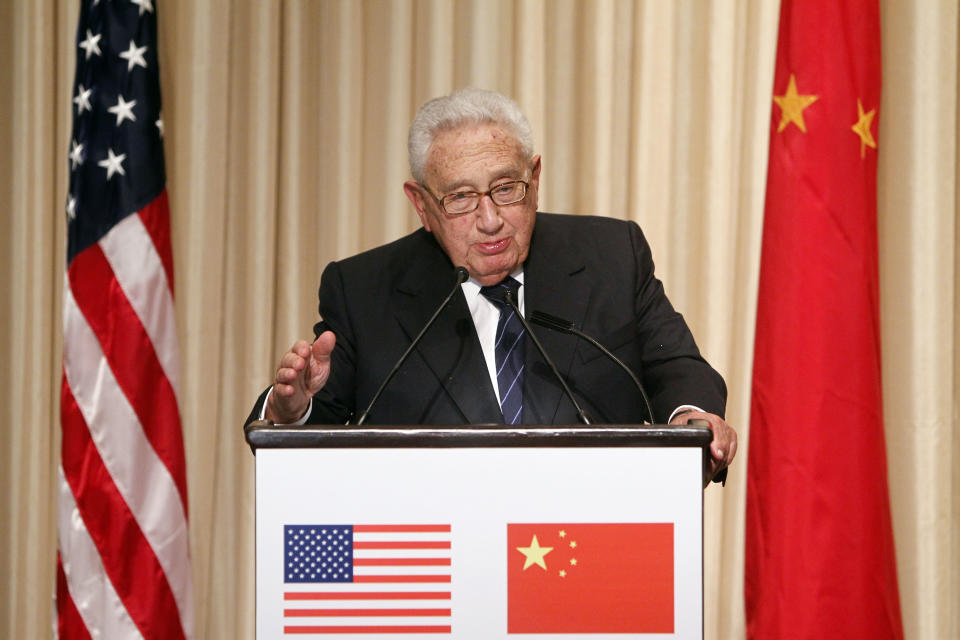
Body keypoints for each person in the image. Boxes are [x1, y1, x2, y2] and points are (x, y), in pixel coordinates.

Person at [247, 88, 737, 483]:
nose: (490, 220)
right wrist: (292, 409)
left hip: (598, 550)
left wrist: (693, 419)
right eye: (460, 198)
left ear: (535, 177)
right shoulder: (364, 291)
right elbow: (313, 431)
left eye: (506, 189)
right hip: (442, 566)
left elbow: (676, 367)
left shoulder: (610, 255)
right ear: (421, 205)